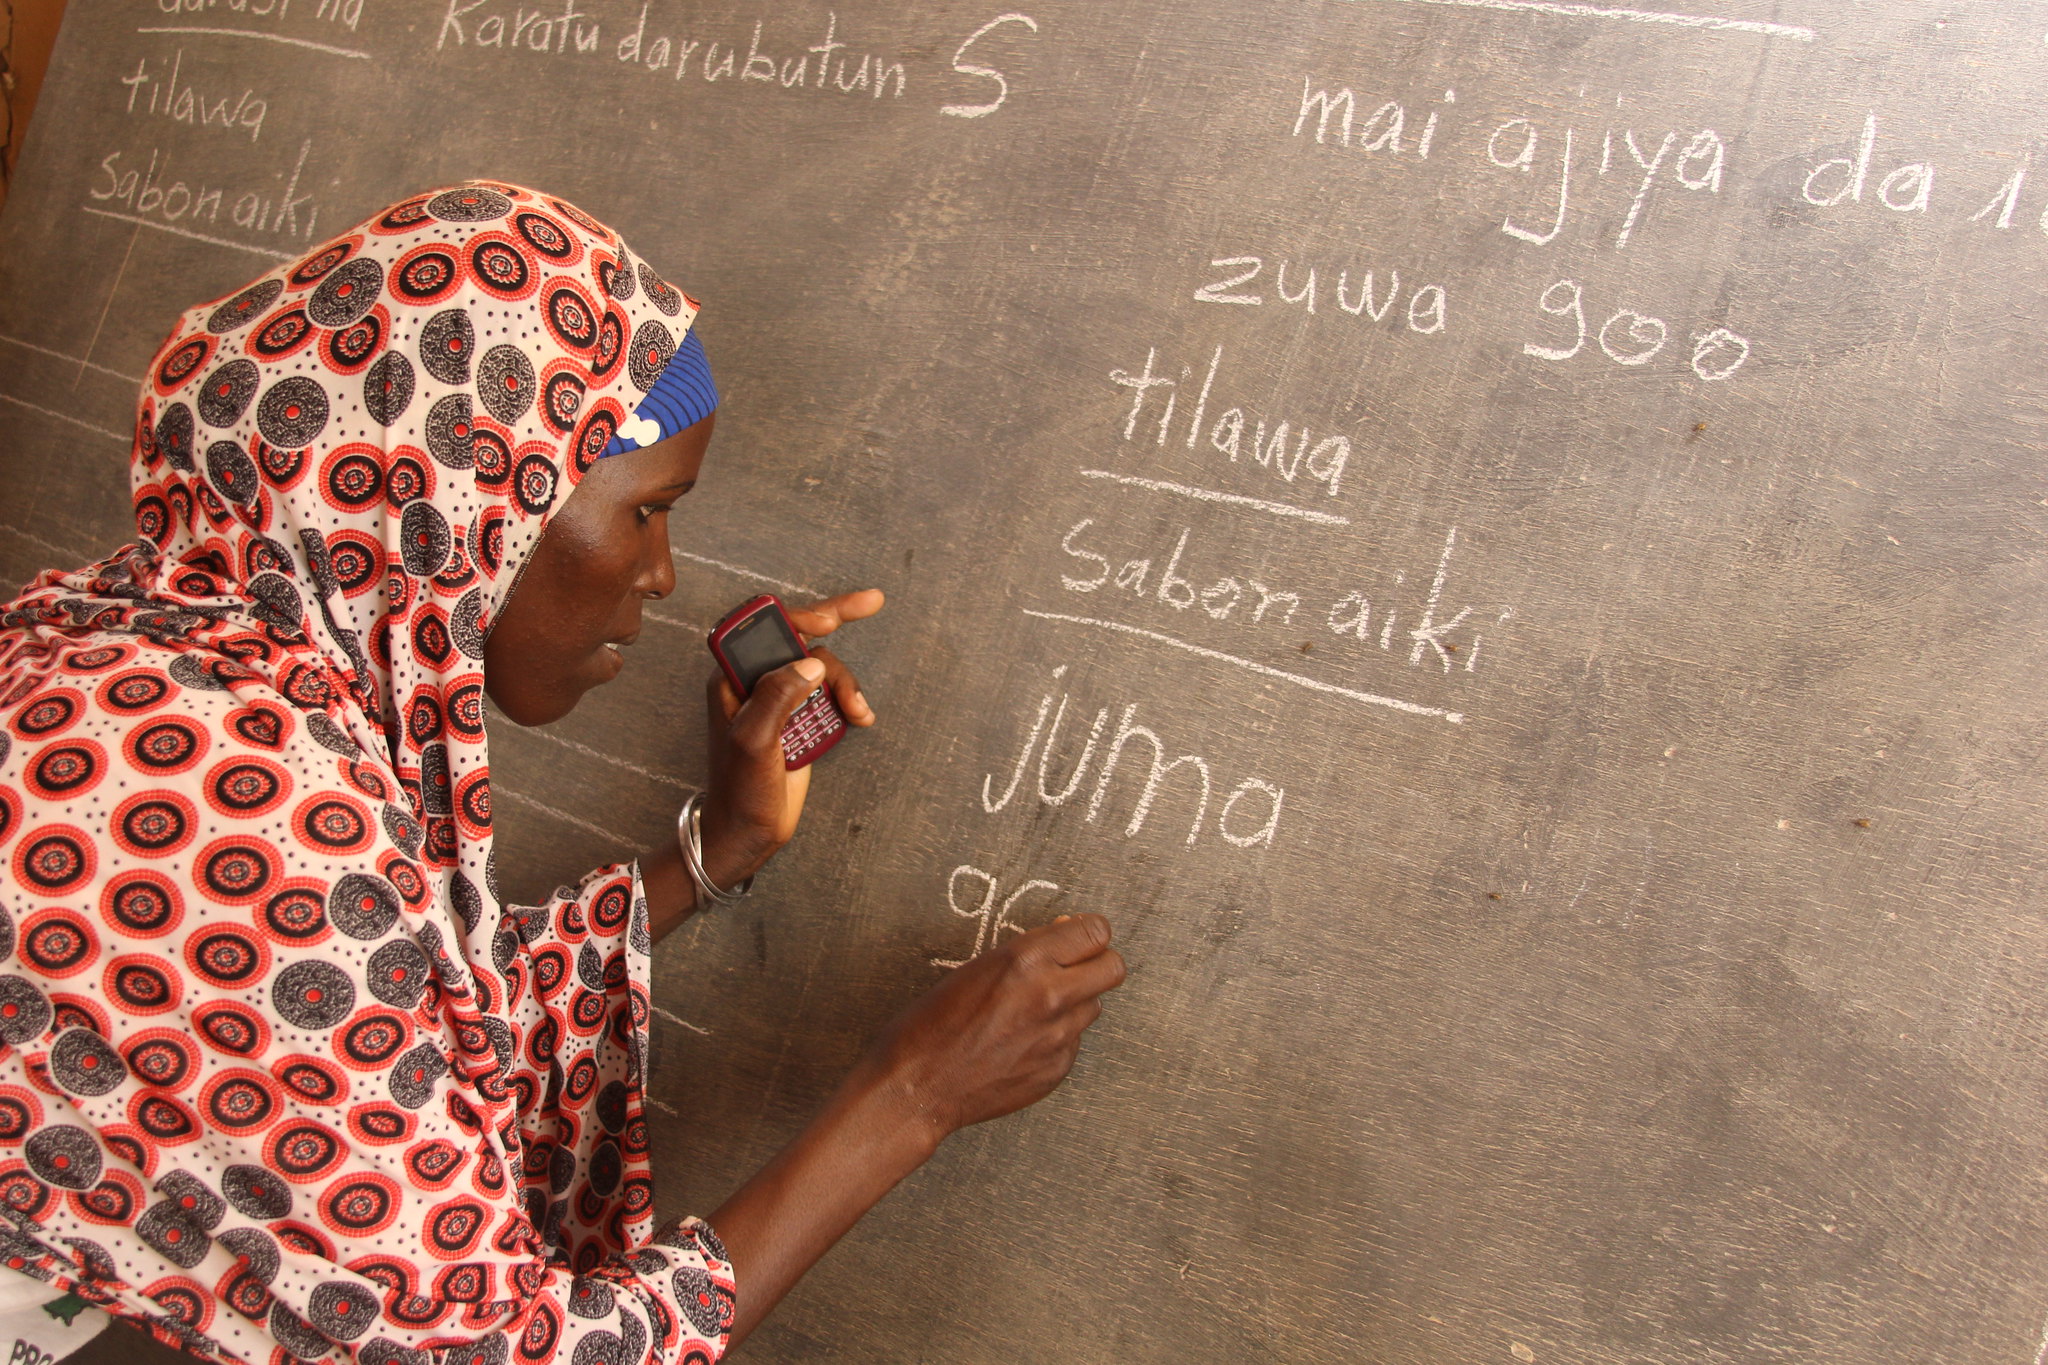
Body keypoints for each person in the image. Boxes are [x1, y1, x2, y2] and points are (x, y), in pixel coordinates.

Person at [0, 183, 1124, 1365]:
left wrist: (715, 853)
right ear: (471, 497)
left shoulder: (148, 663)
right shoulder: (223, 809)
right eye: (645, 513)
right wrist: (911, 1098)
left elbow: (365, 1054)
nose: (662, 575)